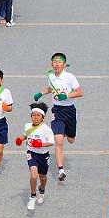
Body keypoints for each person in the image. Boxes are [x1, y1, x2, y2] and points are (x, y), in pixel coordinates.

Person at [33, 53, 84, 181]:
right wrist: (41, 93)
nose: (56, 64)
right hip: (57, 111)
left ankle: (67, 132)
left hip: (70, 110)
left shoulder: (70, 77)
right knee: (59, 140)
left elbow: (80, 92)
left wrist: (66, 96)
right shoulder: (50, 76)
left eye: (59, 61)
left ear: (64, 64)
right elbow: (51, 89)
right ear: (51, 64)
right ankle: (61, 170)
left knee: (71, 140)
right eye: (54, 61)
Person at [15, 102, 55, 210]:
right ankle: (32, 196)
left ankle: (41, 191)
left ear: (43, 117)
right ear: (31, 116)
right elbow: (25, 135)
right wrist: (21, 139)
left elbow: (52, 142)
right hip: (31, 153)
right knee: (34, 175)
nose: (35, 117)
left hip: (43, 155)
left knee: (43, 177)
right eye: (34, 115)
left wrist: (40, 144)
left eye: (38, 115)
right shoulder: (27, 126)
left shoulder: (46, 129)